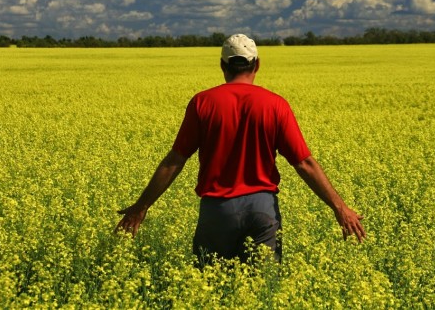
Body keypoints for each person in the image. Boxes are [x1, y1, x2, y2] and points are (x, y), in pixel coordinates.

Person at [115, 34, 366, 264]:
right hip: (262, 210)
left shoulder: (203, 103)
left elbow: (175, 160)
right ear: (257, 64)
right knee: (261, 289)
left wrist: (141, 207)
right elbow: (304, 163)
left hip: (217, 210)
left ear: (223, 65)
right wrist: (340, 209)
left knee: (210, 287)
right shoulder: (276, 105)